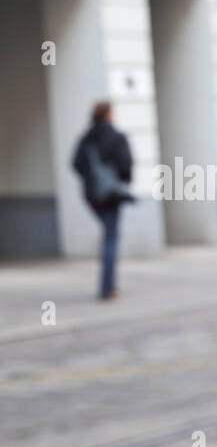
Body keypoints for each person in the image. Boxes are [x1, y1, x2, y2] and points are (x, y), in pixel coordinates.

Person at [71, 100, 133, 300]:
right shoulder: (116, 136)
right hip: (111, 195)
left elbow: (76, 163)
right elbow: (126, 165)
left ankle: (108, 286)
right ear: (108, 115)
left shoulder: (87, 138)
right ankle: (107, 288)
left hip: (93, 196)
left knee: (107, 234)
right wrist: (117, 179)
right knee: (111, 237)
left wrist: (92, 180)